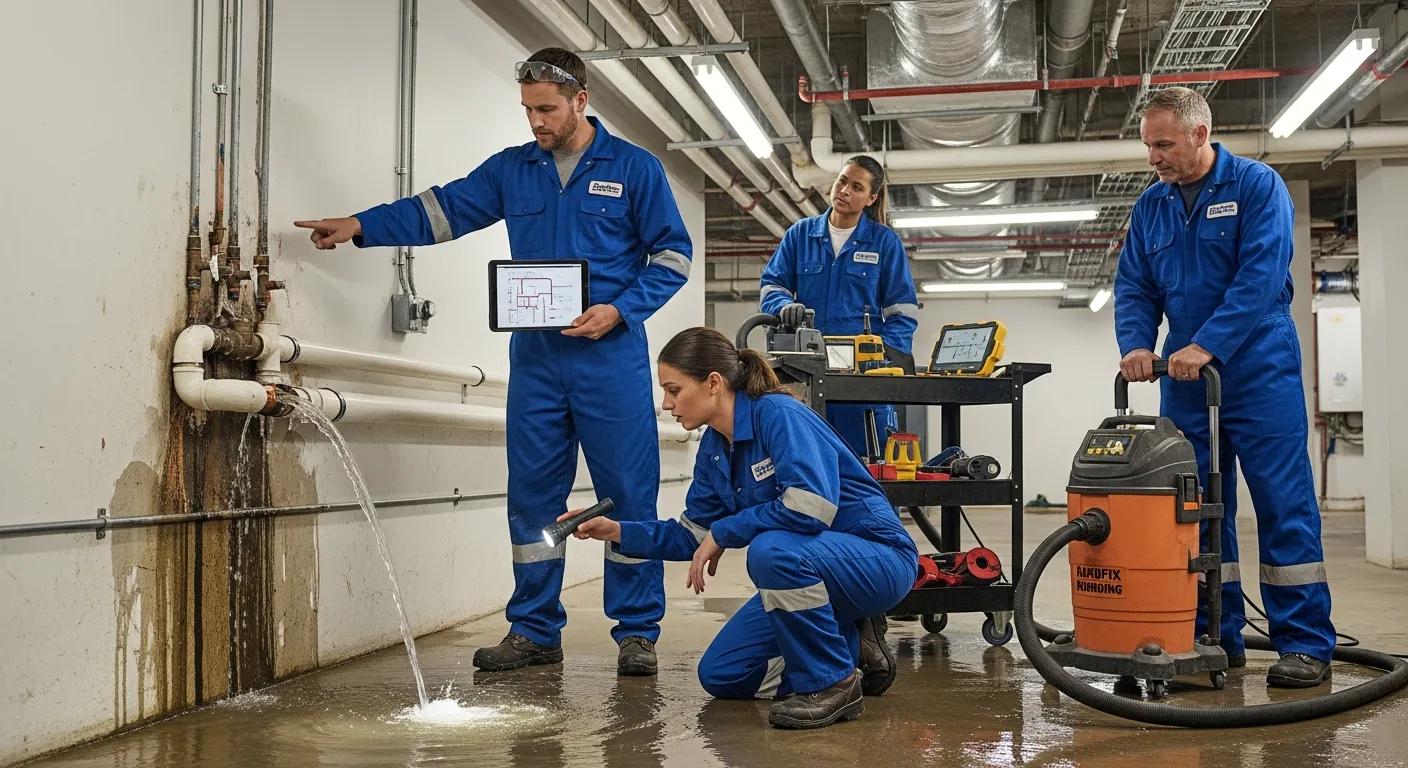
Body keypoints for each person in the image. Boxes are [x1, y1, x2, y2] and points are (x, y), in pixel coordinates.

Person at [294, 48, 693, 677]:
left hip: (609, 356)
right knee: (533, 495)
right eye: (528, 109)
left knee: (627, 494)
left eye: (547, 109)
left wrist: (621, 311)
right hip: (536, 359)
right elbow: (441, 210)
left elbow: (673, 256)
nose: (536, 121)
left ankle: (637, 632)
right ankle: (534, 629)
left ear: (581, 100)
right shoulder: (514, 169)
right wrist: (360, 226)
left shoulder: (635, 168)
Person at [562, 327, 919, 729]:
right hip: (813, 568)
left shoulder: (778, 414)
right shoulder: (715, 448)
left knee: (770, 551)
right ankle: (849, 650)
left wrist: (727, 531)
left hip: (876, 558)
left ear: (713, 383)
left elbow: (810, 508)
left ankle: (833, 683)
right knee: (723, 673)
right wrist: (616, 530)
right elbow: (692, 535)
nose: (666, 404)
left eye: (674, 390)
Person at [1114, 86, 1335, 687]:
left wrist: (1208, 344)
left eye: (1164, 144)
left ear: (1200, 134)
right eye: (1148, 145)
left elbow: (1261, 275)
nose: (1153, 157)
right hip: (1185, 377)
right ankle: (1215, 632)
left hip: (1259, 366)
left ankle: (1305, 643)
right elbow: (1134, 285)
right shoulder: (1152, 207)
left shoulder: (1257, 186)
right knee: (1197, 510)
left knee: (1282, 503)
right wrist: (1136, 345)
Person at [757, 156, 919, 456]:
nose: (844, 190)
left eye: (857, 187)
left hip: (861, 383)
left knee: (867, 464)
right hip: (806, 374)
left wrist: (881, 359)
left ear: (871, 198)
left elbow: (903, 312)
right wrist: (783, 306)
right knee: (807, 460)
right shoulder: (801, 235)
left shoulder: (884, 243)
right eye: (842, 181)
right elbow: (772, 286)